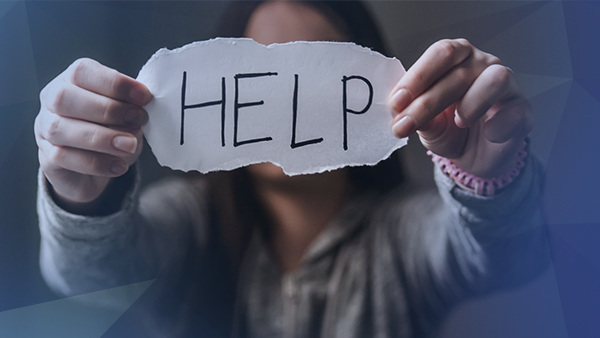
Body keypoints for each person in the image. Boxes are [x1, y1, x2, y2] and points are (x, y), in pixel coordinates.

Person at [34, 1, 547, 337]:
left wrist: (487, 180)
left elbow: (504, 255)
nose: (281, 105)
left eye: (313, 68)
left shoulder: (404, 232)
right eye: (256, 72)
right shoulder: (188, 220)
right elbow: (90, 274)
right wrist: (84, 196)